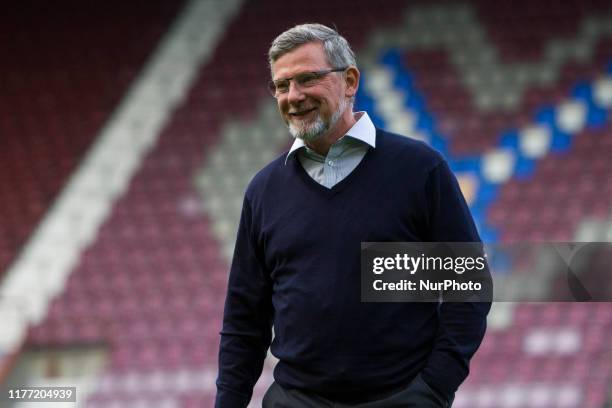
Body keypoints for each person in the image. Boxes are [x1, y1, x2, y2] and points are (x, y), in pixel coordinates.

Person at [215, 23, 491, 408]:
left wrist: (434, 387)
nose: (293, 96)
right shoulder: (264, 191)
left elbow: (468, 286)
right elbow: (245, 319)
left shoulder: (418, 170)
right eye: (282, 85)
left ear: (349, 81)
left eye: (307, 78)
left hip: (399, 398)